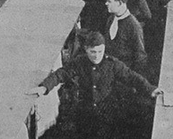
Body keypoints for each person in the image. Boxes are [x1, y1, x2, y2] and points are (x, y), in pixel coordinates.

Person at [26, 31, 161, 138]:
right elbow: (62, 73)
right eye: (93, 52)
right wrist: (45, 87)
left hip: (108, 116)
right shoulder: (80, 62)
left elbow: (132, 77)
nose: (97, 56)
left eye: (100, 52)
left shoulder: (113, 65)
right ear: (86, 49)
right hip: (85, 115)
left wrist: (150, 89)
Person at [104, 0, 147, 74]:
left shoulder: (134, 26)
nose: (106, 3)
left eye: (109, 1)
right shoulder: (111, 19)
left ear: (119, 3)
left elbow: (140, 57)